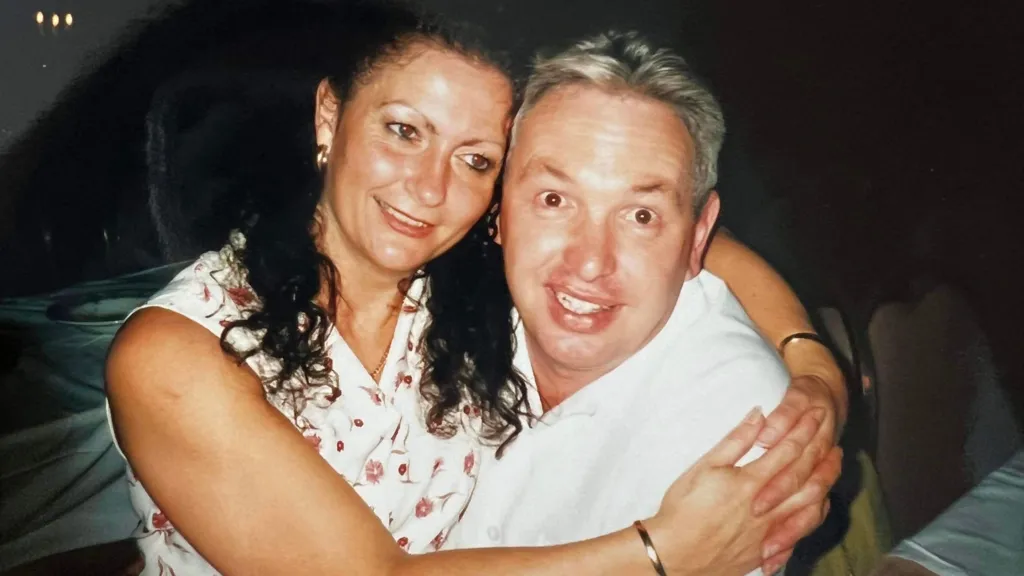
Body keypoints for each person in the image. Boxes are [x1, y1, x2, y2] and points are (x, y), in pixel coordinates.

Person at [105, 2, 843, 574]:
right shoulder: (178, 354)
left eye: (476, 159)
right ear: (331, 116)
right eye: (404, 131)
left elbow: (676, 238)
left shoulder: (461, 278)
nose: (429, 189)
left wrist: (815, 372)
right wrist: (660, 555)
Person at [444, 31, 837, 576]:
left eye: (641, 216)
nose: (589, 263)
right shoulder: (430, 292)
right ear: (499, 209)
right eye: (555, 200)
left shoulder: (740, 424)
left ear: (698, 236)